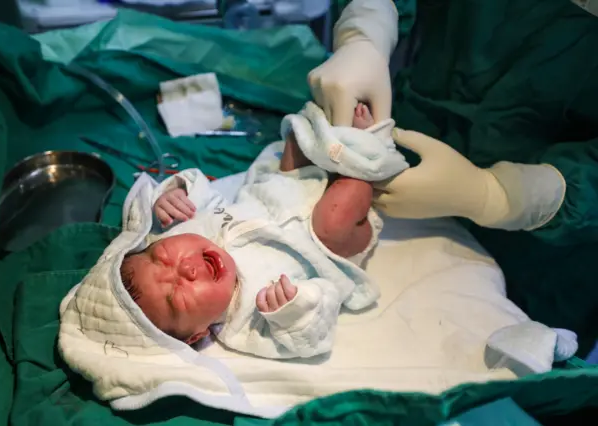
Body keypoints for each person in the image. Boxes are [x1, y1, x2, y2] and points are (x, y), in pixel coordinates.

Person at [308, 0, 598, 354]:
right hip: (426, 123)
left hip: (549, 257)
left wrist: (503, 197)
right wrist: (365, 28)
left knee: (506, 363)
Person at [118, 104, 382, 359]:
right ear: (196, 336)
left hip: (283, 189)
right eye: (177, 293)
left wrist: (172, 195)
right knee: (334, 219)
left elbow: (199, 191)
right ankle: (370, 149)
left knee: (297, 137)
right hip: (327, 243)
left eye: (164, 255)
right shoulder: (247, 322)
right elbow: (309, 339)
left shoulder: (184, 228)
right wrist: (294, 311)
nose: (186, 268)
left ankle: (334, 128)